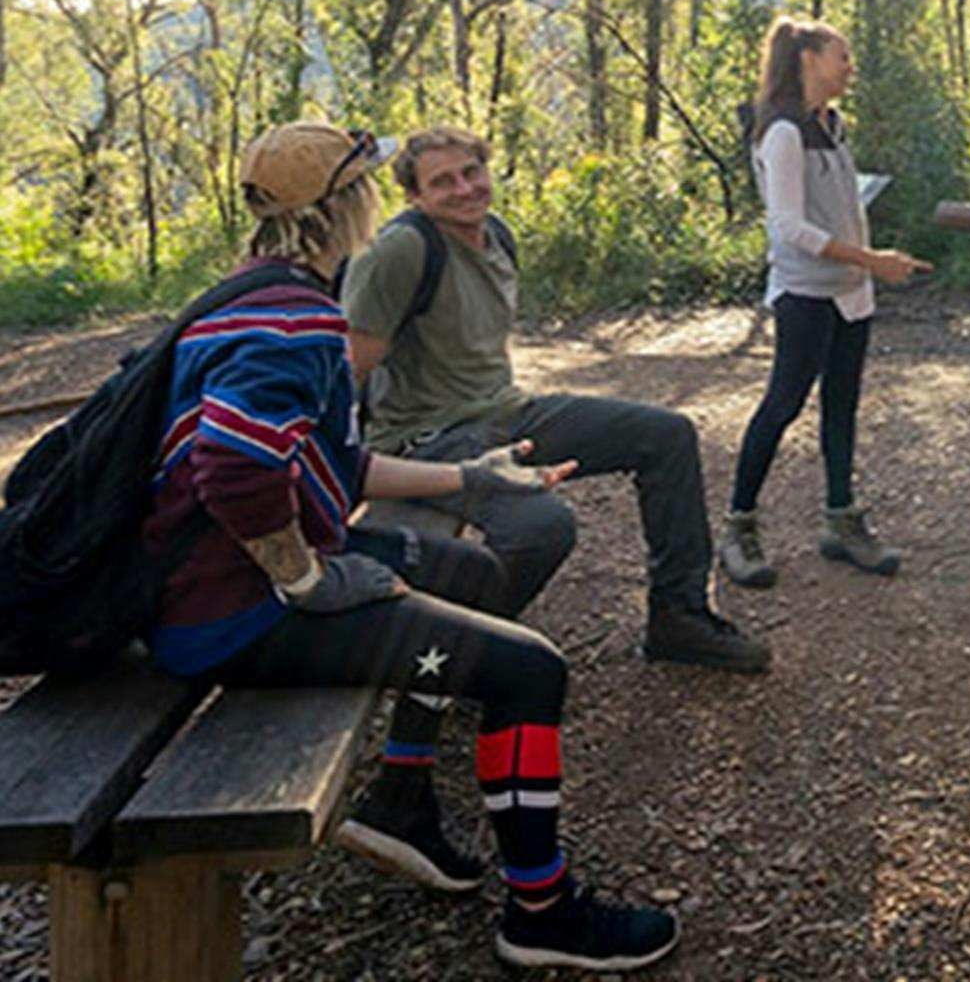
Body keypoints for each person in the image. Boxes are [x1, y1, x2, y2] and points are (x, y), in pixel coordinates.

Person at [142, 121, 677, 972]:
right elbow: (235, 470)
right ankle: (540, 910)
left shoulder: (269, 288)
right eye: (373, 183)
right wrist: (309, 578)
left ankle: (403, 797)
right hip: (233, 614)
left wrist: (474, 479)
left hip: (237, 588)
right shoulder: (293, 319)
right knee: (532, 670)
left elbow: (334, 461)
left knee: (467, 568)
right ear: (347, 204)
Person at [340, 125, 769, 672]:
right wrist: (342, 471)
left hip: (506, 412)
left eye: (472, 171)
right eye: (442, 181)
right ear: (415, 196)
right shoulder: (401, 249)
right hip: (429, 439)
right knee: (542, 526)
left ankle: (678, 617)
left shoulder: (496, 233)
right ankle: (458, 649)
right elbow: (347, 368)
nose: (465, 188)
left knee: (666, 435)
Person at [715, 18, 931, 589]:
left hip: (849, 298)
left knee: (842, 406)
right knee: (782, 404)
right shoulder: (782, 130)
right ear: (808, 57)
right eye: (842, 55)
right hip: (805, 295)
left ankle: (840, 521)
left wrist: (865, 268)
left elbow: (835, 205)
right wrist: (871, 260)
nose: (849, 65)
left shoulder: (830, 125)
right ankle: (738, 527)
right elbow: (788, 227)